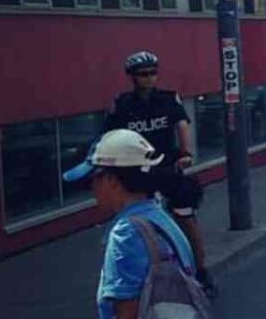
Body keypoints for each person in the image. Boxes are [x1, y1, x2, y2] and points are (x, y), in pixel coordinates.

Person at [104, 51, 216, 297]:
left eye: (153, 73)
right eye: (143, 74)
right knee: (136, 224)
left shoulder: (168, 99)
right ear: (132, 77)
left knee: (185, 218)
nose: (149, 78)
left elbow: (182, 125)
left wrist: (186, 152)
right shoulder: (122, 104)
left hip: (167, 167)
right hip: (138, 173)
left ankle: (202, 271)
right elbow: (110, 138)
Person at [64, 129, 197, 319]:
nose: (91, 189)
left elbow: (126, 312)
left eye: (92, 180)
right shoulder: (161, 217)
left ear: (111, 179)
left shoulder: (126, 235)